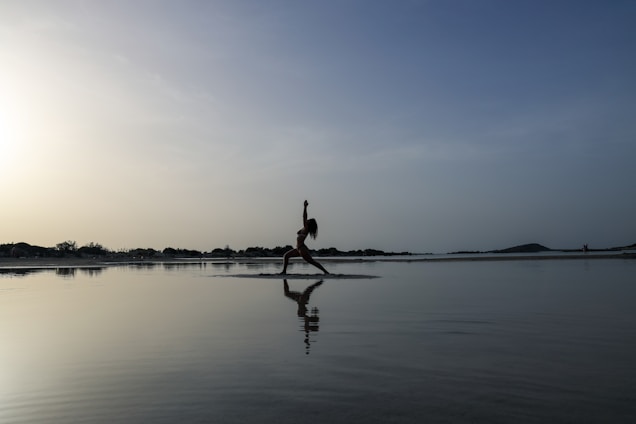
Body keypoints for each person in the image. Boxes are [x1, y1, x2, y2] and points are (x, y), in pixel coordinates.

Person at [281, 200, 329, 274]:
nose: (307, 220)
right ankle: (284, 271)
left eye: (308, 220)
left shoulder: (306, 228)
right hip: (299, 248)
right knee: (286, 256)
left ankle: (326, 272)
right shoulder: (304, 228)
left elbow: (304, 216)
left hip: (302, 249)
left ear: (310, 223)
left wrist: (305, 207)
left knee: (311, 261)